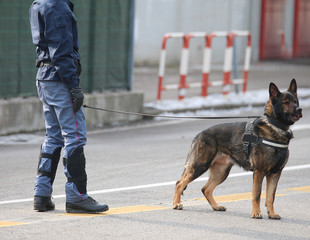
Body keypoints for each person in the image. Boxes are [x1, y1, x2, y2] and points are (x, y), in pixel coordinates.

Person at [29, 0, 108, 213]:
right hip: (59, 78)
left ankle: (41, 195)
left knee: (53, 136)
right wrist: (73, 86)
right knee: (75, 136)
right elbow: (61, 49)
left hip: (44, 77)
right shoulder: (57, 5)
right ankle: (77, 196)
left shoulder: (39, 3)